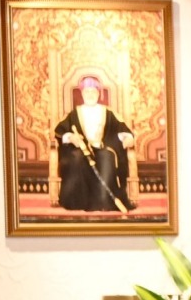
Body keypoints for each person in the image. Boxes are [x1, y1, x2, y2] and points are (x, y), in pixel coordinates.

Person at [54, 76, 136, 212]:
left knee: (107, 157)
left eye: (93, 92)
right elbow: (59, 131)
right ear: (82, 94)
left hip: (102, 148)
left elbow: (122, 130)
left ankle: (105, 201)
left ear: (98, 94)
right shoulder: (74, 114)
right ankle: (79, 203)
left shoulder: (108, 113)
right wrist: (71, 137)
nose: (90, 95)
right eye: (87, 92)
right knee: (76, 158)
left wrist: (128, 138)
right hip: (81, 151)